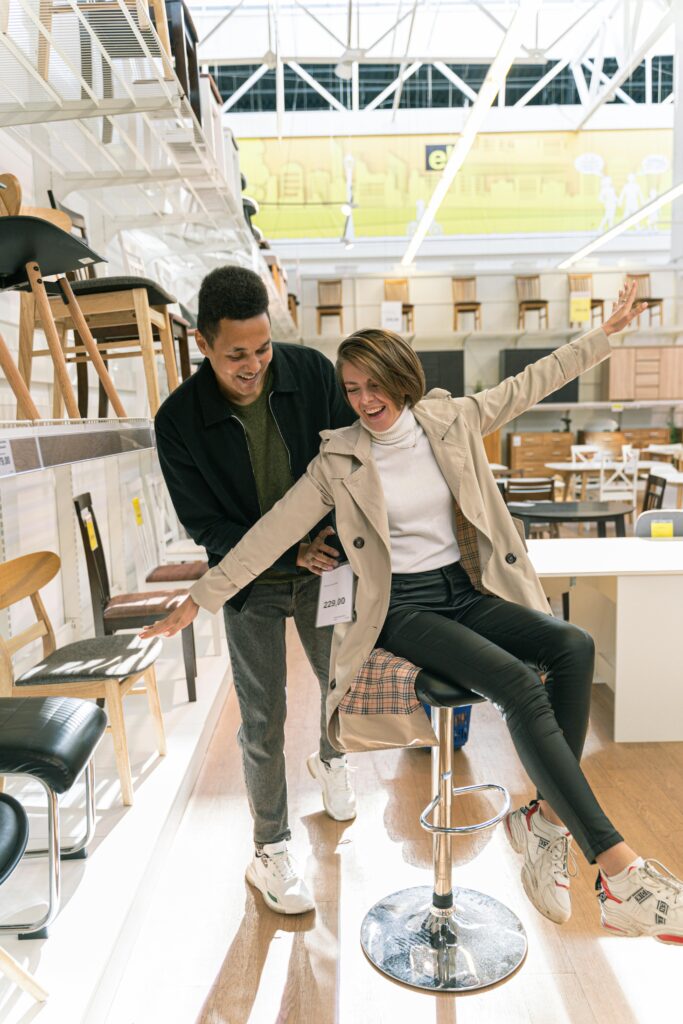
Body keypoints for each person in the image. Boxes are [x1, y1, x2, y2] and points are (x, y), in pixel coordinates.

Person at [144, 281, 683, 943]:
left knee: (571, 646)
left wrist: (606, 333)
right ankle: (620, 872)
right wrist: (199, 598)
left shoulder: (450, 419)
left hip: (465, 591)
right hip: (400, 606)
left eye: (375, 386)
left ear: (403, 379)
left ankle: (543, 823)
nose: (364, 401)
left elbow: (532, 382)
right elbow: (266, 534)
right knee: (517, 684)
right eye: (351, 389)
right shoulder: (337, 459)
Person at [153, 266, 357, 916]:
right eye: (236, 354)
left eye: (262, 348)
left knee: (340, 686)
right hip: (250, 583)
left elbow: (348, 466)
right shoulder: (178, 420)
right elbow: (203, 523)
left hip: (326, 568)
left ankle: (332, 761)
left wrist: (327, 538)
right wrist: (287, 548)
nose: (253, 365)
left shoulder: (311, 373)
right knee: (263, 717)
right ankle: (270, 849)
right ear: (202, 343)